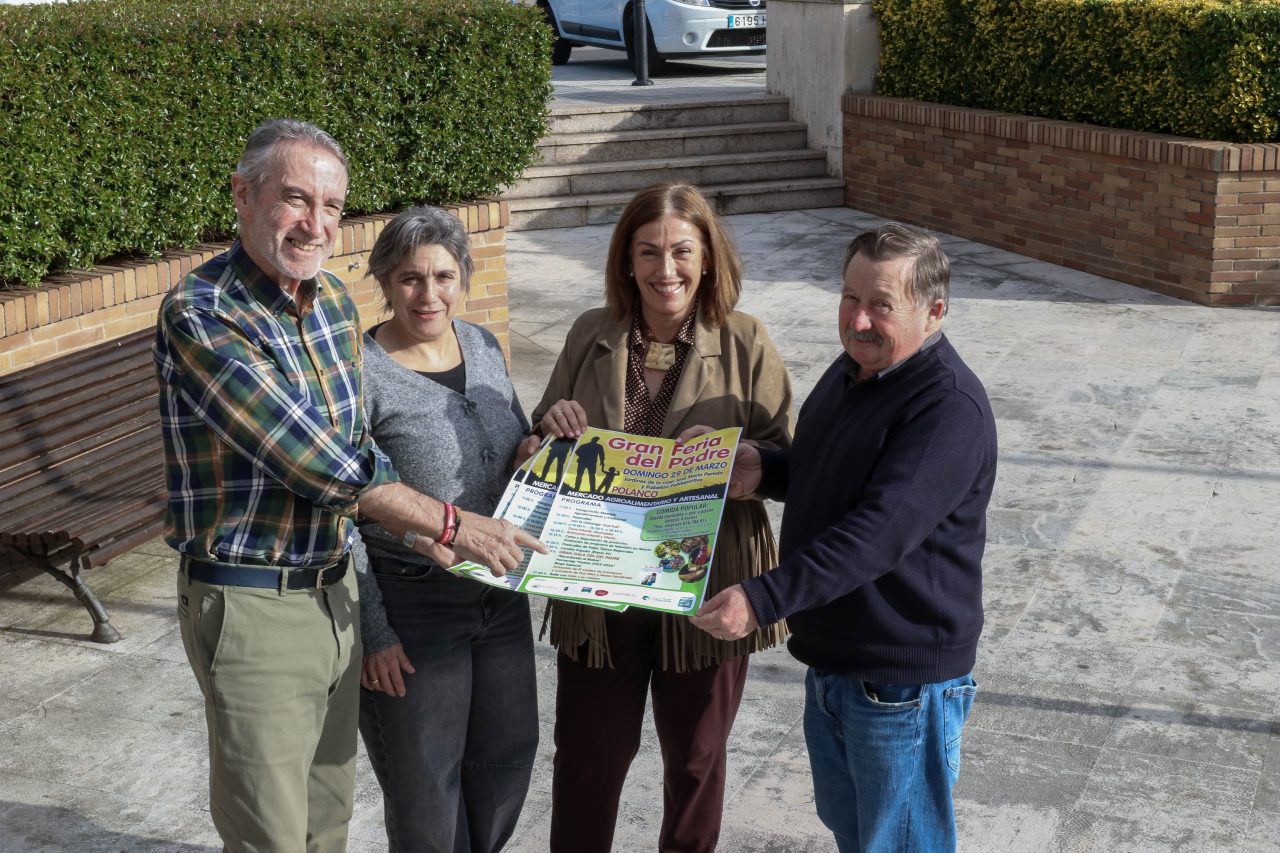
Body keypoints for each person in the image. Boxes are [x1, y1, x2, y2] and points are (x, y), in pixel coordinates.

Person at [154, 118, 541, 852]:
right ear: (242, 195)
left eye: (332, 206)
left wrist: (416, 526)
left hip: (333, 592)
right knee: (272, 832)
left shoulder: (328, 302)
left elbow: (359, 447)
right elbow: (311, 458)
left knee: (326, 823)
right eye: (295, 199)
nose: (316, 222)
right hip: (252, 596)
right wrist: (446, 523)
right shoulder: (204, 312)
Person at [690, 223, 997, 853]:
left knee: (899, 844)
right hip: (838, 662)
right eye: (849, 298)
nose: (858, 320)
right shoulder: (857, 369)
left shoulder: (947, 409)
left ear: (934, 312)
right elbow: (838, 471)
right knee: (857, 834)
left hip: (901, 682)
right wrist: (769, 470)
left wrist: (763, 598)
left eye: (882, 305)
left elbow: (877, 533)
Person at [523, 182, 793, 853]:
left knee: (696, 763)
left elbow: (788, 454)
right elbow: (538, 442)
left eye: (680, 251)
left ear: (707, 257)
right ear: (625, 260)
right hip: (600, 579)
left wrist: (746, 460)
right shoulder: (593, 333)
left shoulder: (745, 339)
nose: (664, 269)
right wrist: (544, 433)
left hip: (704, 581)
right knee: (588, 759)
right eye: (647, 252)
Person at [353, 206, 538, 853]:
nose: (427, 294)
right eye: (409, 278)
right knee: (426, 793)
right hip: (413, 605)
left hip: (500, 595)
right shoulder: (361, 372)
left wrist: (537, 446)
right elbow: (341, 511)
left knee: (508, 759)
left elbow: (515, 441)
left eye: (441, 275)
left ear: (462, 275)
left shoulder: (481, 344)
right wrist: (372, 630)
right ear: (383, 279)